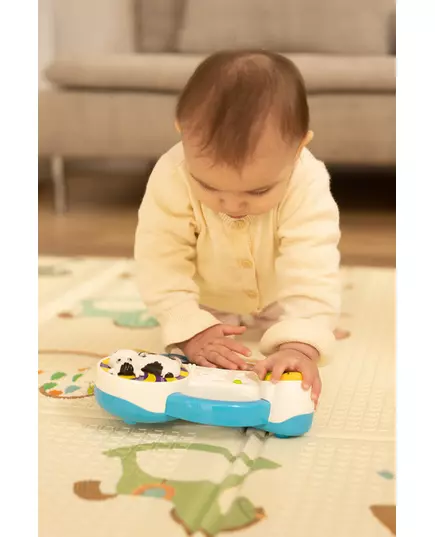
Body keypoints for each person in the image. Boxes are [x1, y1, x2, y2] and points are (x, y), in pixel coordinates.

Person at [134, 50, 341, 406]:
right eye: (209, 187)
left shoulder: (307, 180)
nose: (230, 206)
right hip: (208, 297)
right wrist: (188, 325)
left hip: (279, 292)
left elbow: (313, 265)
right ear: (184, 135)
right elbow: (160, 260)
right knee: (204, 340)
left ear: (297, 149)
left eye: (258, 190)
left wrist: (301, 342)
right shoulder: (171, 174)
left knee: (306, 324)